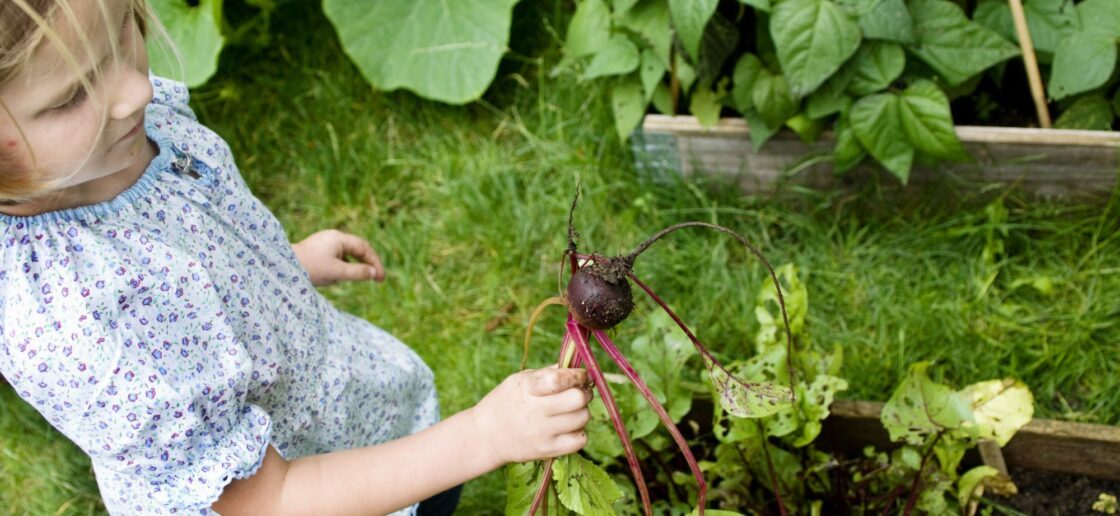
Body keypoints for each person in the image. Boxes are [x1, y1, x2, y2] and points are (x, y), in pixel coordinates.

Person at [0, 1, 593, 514]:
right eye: (72, 94)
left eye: (125, 27)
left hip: (334, 404)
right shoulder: (78, 321)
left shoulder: (120, 134)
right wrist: (481, 437)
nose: (137, 90)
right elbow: (269, 501)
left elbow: (187, 275)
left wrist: (282, 264)